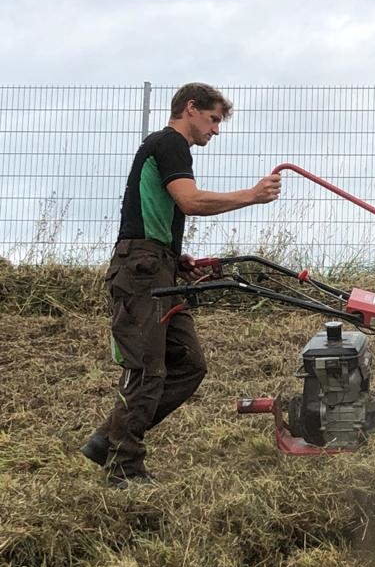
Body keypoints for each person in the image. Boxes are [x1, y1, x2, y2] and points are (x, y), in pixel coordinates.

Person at [81, 82, 281, 487]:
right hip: (140, 271)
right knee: (147, 370)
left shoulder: (173, 150)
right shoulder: (169, 142)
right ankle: (124, 467)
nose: (216, 130)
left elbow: (155, 210)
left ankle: (110, 439)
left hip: (157, 264)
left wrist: (175, 255)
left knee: (189, 364)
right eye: (213, 120)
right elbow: (190, 201)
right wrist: (252, 196)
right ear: (191, 108)